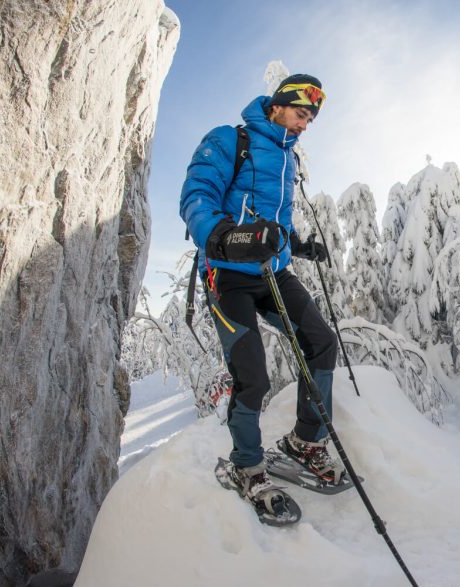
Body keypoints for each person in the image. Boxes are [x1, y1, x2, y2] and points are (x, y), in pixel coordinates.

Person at [179, 74, 344, 516]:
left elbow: (274, 221)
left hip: (272, 271)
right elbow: (196, 197)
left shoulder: (288, 158)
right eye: (301, 114)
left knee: (321, 342)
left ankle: (305, 442)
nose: (305, 125)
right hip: (228, 275)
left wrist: (297, 245)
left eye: (310, 119)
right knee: (253, 375)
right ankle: (247, 467)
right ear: (277, 106)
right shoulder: (230, 140)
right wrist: (226, 237)